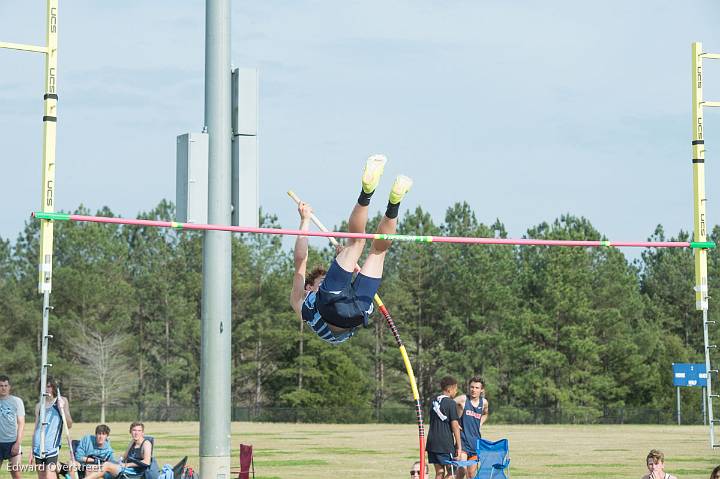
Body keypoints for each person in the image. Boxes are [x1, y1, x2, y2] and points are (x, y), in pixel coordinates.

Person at [290, 154, 413, 344]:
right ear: (309, 287)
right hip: (344, 307)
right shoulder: (301, 298)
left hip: (356, 310)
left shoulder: (304, 307)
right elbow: (300, 261)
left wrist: (345, 262)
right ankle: (372, 195)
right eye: (322, 281)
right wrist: (304, 220)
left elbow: (301, 261)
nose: (325, 280)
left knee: (374, 250)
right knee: (359, 243)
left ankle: (393, 202)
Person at [31, 378, 72, 479]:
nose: (46, 389)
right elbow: (36, 429)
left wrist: (61, 408)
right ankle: (63, 470)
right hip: (38, 446)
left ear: (53, 387)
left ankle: (64, 470)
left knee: (50, 476)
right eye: (44, 387)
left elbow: (69, 424)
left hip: (52, 447)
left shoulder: (61, 400)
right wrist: (32, 450)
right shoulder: (39, 406)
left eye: (49, 386)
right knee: (42, 476)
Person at [84, 422, 151, 479]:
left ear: (142, 433)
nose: (136, 433)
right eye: (134, 430)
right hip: (125, 467)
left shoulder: (146, 444)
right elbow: (124, 457)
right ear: (130, 431)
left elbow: (147, 462)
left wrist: (127, 464)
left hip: (134, 472)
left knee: (106, 465)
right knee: (90, 467)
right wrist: (119, 460)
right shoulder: (132, 442)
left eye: (139, 431)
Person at [426, 376, 462, 479]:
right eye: (456, 389)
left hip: (432, 442)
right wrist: (459, 446)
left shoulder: (433, 401)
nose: (456, 391)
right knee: (452, 472)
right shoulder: (451, 403)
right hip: (444, 443)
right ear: (449, 389)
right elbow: (454, 425)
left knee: (439, 472)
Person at [454, 376, 489, 479]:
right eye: (472, 387)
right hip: (463, 442)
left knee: (471, 475)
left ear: (481, 390)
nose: (474, 390)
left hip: (475, 443)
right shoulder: (463, 399)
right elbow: (448, 404)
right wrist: (454, 422)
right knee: (462, 470)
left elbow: (485, 413)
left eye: (477, 388)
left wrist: (480, 424)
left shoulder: (484, 402)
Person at [0, 375, 25, 479]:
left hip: (13, 442)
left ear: (9, 387)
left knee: (16, 473)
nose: (3, 388)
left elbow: (21, 423)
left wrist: (17, 443)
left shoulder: (17, 401)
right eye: (1, 385)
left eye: (6, 385)